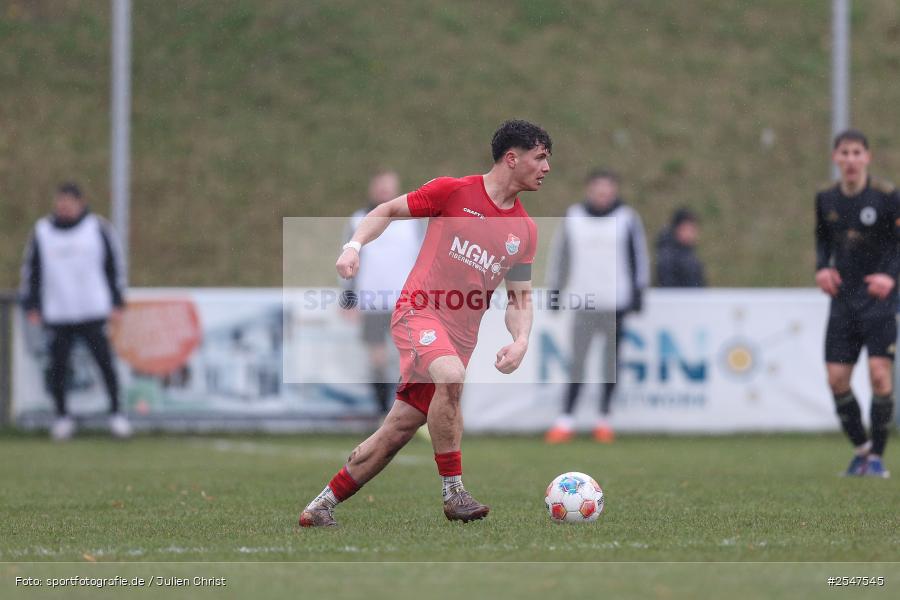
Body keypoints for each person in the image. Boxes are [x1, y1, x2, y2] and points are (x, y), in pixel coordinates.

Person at [299, 119, 550, 526]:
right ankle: (454, 493)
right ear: (512, 158)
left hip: (461, 336)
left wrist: (521, 339)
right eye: (540, 157)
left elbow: (520, 295)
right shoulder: (454, 192)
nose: (546, 167)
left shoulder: (523, 230)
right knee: (450, 376)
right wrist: (353, 246)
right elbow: (387, 209)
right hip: (418, 312)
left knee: (396, 432)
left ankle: (320, 506)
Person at [815, 129, 899, 478]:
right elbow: (822, 239)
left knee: (880, 376)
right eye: (844, 153)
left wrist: (890, 276)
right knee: (836, 379)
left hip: (878, 300)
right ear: (835, 158)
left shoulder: (887, 196)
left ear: (867, 157)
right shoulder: (825, 199)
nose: (850, 160)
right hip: (843, 300)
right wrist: (821, 268)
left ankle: (877, 458)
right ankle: (861, 450)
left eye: (856, 153)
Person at [544, 169, 649, 444]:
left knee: (610, 364)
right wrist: (555, 291)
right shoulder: (574, 217)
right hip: (583, 302)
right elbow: (560, 256)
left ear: (614, 191)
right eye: (598, 189)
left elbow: (638, 256)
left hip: (615, 302)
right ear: (589, 190)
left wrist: (638, 293)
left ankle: (604, 419)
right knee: (577, 362)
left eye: (608, 189)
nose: (603, 195)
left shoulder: (627, 218)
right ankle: (565, 419)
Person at [19, 183, 130, 441]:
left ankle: (116, 414)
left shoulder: (97, 228)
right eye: (60, 202)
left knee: (105, 364)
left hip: (92, 310)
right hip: (58, 312)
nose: (64, 207)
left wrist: (116, 301)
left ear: (80, 202)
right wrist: (32, 304)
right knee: (58, 367)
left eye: (69, 202)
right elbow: (32, 271)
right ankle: (62, 417)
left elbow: (114, 265)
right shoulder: (43, 231)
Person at [339, 170, 423, 419]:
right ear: (373, 188)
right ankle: (381, 410)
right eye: (381, 186)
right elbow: (348, 259)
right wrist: (348, 299)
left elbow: (423, 259)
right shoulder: (359, 221)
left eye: (390, 187)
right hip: (372, 301)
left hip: (404, 302)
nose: (385, 191)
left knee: (408, 359)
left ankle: (406, 411)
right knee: (377, 357)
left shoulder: (412, 222)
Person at [656, 207, 706, 287]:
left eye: (693, 230)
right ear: (677, 229)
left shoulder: (689, 255)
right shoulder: (668, 257)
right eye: (688, 229)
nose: (691, 234)